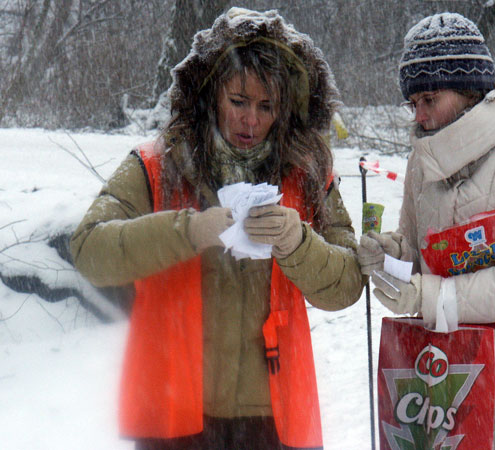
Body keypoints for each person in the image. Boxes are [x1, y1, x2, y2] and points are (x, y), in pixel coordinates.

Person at [70, 7, 364, 450]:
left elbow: (345, 286)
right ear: (211, 95)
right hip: (174, 418)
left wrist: (297, 242)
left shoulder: (308, 173)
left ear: (285, 110)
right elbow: (90, 250)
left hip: (276, 419)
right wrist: (187, 231)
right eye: (238, 101)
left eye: (267, 106)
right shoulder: (155, 165)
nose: (251, 120)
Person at [358, 12, 495, 449]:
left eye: (429, 98)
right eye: (413, 104)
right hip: (441, 400)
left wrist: (436, 297)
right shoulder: (422, 165)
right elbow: (419, 254)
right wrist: (391, 256)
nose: (419, 115)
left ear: (469, 91)